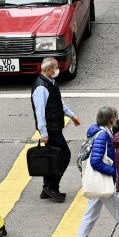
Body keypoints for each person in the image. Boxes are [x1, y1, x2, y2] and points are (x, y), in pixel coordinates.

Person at [74, 106, 119, 237]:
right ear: (109, 119)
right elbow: (95, 161)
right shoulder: (102, 135)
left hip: (97, 183)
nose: (116, 118)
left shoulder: (98, 132)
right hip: (102, 181)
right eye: (115, 116)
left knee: (91, 213)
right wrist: (113, 171)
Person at [31, 56, 81, 201]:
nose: (57, 70)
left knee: (51, 158)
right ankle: (52, 187)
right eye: (55, 68)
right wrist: (44, 132)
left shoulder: (50, 82)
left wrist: (72, 115)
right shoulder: (41, 87)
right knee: (64, 156)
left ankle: (47, 187)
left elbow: (58, 101)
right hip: (50, 130)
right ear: (48, 69)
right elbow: (39, 112)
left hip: (55, 127)